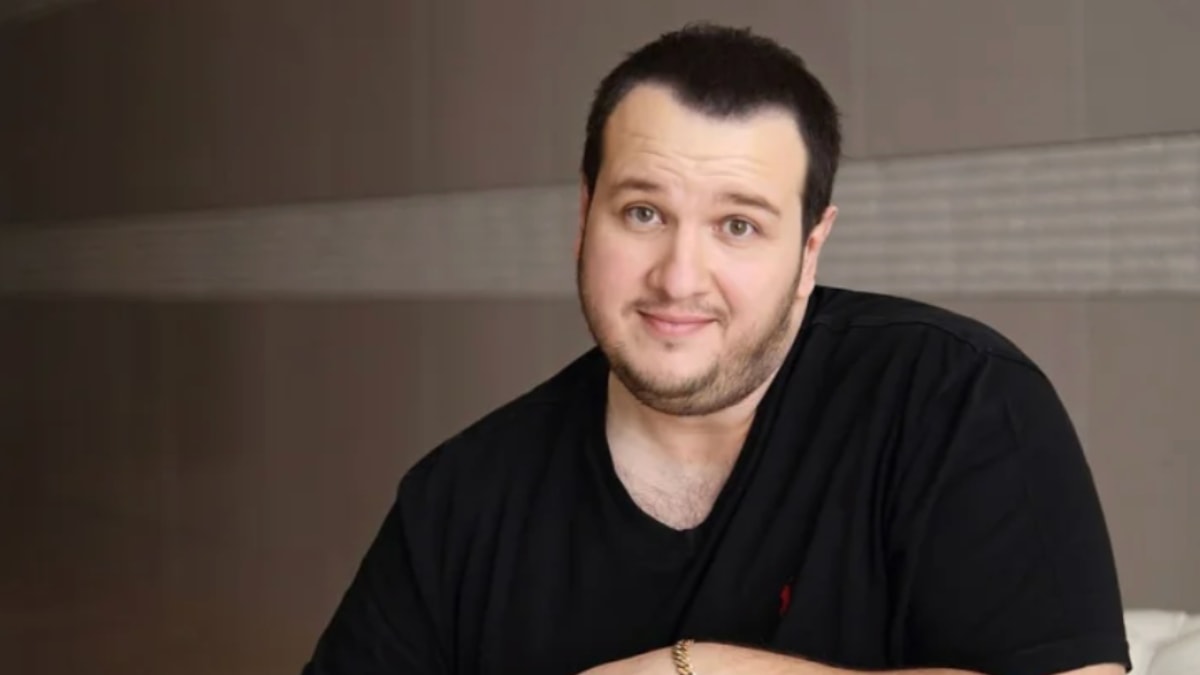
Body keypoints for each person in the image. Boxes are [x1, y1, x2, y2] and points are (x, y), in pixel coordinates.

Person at [301, 23, 1130, 675]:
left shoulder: (954, 396)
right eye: (643, 213)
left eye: (738, 225)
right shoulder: (461, 499)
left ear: (810, 249)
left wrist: (697, 668)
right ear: (584, 216)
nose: (679, 276)